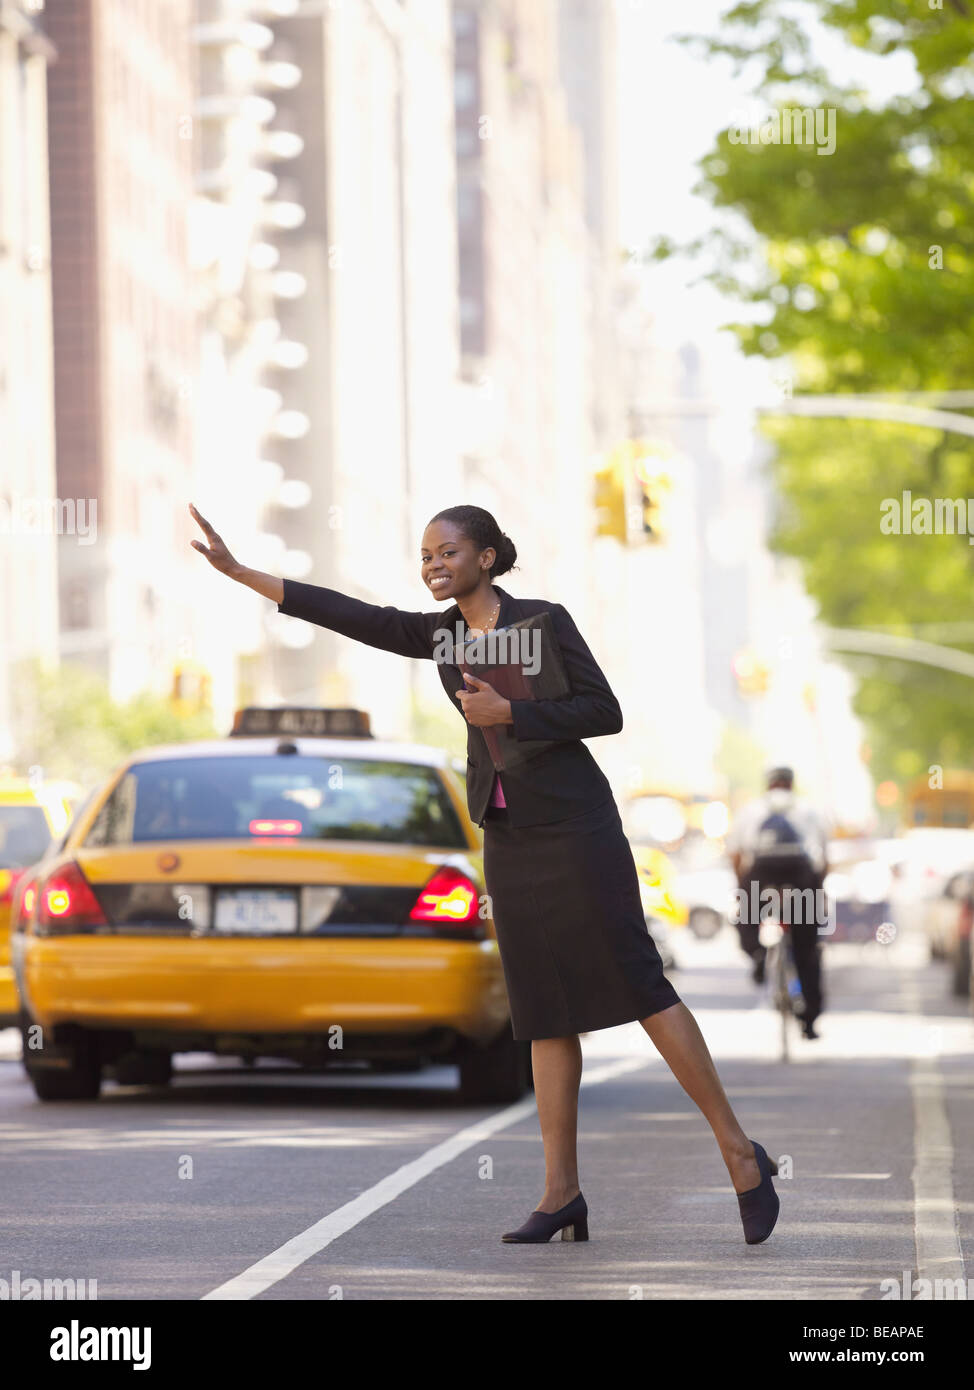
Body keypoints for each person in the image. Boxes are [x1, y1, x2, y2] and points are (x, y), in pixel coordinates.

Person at [189, 500, 780, 1246]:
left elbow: (604, 711)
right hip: (508, 834)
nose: (433, 565)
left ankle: (739, 1153)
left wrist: (512, 714)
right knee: (540, 1009)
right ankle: (560, 1192)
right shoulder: (438, 637)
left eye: (447, 553)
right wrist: (241, 571)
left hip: (576, 828)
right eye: (426, 556)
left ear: (486, 558)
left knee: (639, 984)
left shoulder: (543, 623)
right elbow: (348, 614)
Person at [725, 766, 830, 1039]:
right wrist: (816, 891)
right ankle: (809, 1021)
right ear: (791, 784)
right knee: (807, 951)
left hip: (762, 876)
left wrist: (743, 892)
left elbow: (736, 856)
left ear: (768, 785)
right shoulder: (808, 809)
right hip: (800, 878)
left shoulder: (751, 810)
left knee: (746, 920)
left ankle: (758, 954)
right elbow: (824, 860)